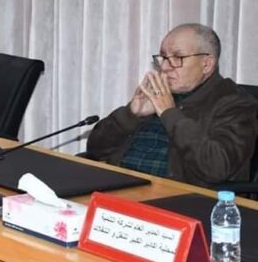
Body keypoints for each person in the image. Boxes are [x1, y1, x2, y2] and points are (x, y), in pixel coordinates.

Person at [87, 23, 258, 187]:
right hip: (118, 185)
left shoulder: (235, 103)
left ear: (206, 64)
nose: (164, 67)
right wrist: (131, 114)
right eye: (163, 57)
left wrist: (169, 113)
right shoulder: (158, 91)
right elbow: (96, 150)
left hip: (175, 198)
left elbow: (217, 168)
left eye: (177, 58)